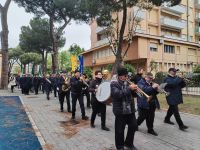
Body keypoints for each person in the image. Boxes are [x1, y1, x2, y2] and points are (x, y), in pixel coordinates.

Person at [110, 67, 138, 150]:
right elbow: (117, 94)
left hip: (130, 110)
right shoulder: (114, 84)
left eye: (127, 76)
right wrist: (129, 89)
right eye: (125, 76)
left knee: (133, 126)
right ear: (120, 76)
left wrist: (135, 91)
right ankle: (120, 146)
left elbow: (134, 95)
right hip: (120, 111)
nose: (127, 77)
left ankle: (128, 143)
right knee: (119, 130)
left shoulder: (129, 83)